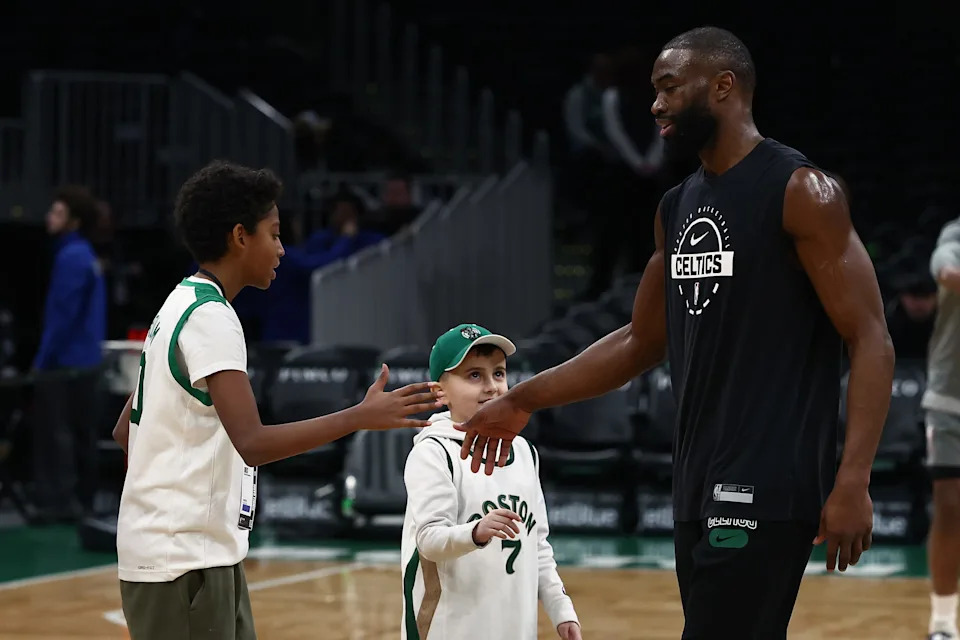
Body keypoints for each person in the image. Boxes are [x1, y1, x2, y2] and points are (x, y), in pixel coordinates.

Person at [456, 26, 895, 639]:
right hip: (694, 474)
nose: (655, 104)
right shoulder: (676, 206)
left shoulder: (800, 191)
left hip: (769, 474)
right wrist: (523, 398)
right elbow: (640, 340)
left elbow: (871, 337)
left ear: (723, 86)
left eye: (668, 87)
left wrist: (853, 480)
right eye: (654, 90)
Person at [111, 160, 444, 640]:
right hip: (182, 562)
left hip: (193, 554)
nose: (282, 249)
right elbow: (253, 443)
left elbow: (127, 431)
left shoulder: (178, 304)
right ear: (240, 236)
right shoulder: (211, 318)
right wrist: (360, 416)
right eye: (274, 234)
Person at [400, 324, 581, 640]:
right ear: (439, 392)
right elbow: (428, 540)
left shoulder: (524, 451)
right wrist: (476, 532)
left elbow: (537, 544)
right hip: (449, 628)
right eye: (474, 376)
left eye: (498, 374)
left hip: (514, 626)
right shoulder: (433, 452)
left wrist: (561, 609)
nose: (492, 387)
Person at [31, 184, 107, 522]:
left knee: (56, 434)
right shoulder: (86, 255)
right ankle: (81, 501)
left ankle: (58, 503)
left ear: (73, 222)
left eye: (58, 213)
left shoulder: (71, 257)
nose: (49, 217)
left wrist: (41, 362)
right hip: (86, 362)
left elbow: (62, 316)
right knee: (81, 434)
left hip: (66, 364)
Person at [923, 217, 960, 639]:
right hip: (950, 399)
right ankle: (944, 622)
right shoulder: (953, 236)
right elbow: (946, 271)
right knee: (949, 508)